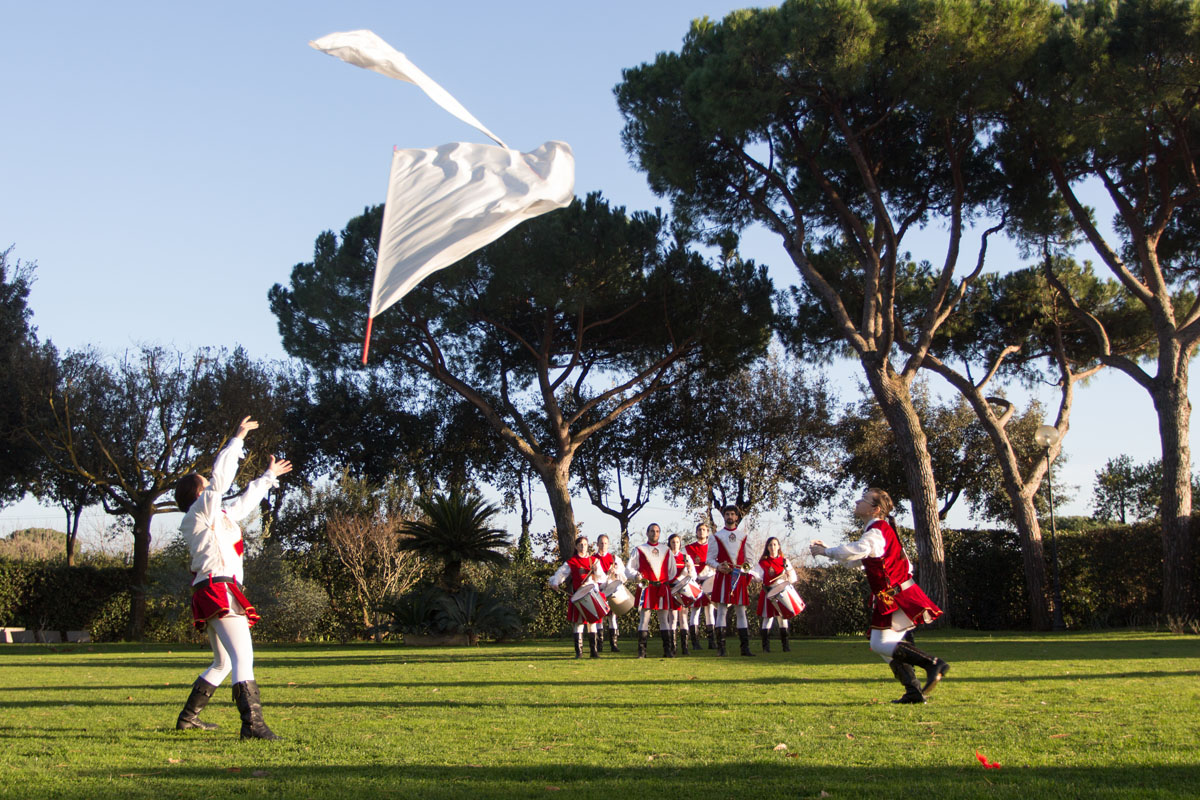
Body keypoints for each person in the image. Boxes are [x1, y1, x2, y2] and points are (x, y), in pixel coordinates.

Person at [173, 416, 292, 740]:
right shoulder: (200, 513)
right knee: (243, 657)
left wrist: (268, 477)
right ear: (197, 494)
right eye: (204, 484)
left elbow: (242, 502)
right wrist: (238, 437)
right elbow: (220, 480)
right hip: (217, 587)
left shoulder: (217, 515)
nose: (210, 487)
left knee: (224, 662)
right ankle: (252, 726)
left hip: (213, 587)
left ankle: (188, 718)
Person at [810, 488, 950, 703]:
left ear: (875, 509)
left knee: (879, 644)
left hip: (895, 596)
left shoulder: (876, 530)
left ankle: (933, 663)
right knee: (887, 648)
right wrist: (827, 550)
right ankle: (913, 692)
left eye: (864, 499)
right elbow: (857, 560)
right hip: (896, 594)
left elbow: (859, 549)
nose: (857, 501)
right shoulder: (878, 529)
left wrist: (827, 552)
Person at [706, 504, 755, 656]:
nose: (730, 517)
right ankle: (721, 649)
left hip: (738, 577)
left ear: (737, 517)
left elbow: (750, 560)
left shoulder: (744, 536)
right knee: (721, 610)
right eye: (727, 514)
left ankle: (744, 648)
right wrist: (718, 566)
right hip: (723, 577)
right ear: (724, 516)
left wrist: (743, 569)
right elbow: (709, 559)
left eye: (732, 514)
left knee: (741, 611)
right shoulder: (716, 536)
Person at [548, 536, 608, 658]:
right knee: (578, 624)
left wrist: (596, 571)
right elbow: (561, 573)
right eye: (580, 544)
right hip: (578, 595)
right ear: (576, 546)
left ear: (588, 546)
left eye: (585, 544)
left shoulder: (594, 561)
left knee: (592, 623)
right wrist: (555, 582)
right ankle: (579, 653)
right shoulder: (572, 561)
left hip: (592, 595)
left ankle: (594, 652)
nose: (583, 547)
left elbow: (602, 579)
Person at [625, 523, 678, 658]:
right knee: (644, 619)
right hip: (646, 588)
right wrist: (636, 577)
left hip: (662, 588)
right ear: (647, 533)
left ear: (660, 533)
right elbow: (629, 569)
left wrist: (664, 582)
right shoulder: (639, 549)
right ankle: (642, 652)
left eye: (657, 531)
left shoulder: (666, 550)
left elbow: (672, 571)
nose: (655, 533)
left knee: (664, 619)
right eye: (652, 531)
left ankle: (668, 650)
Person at [751, 537, 799, 653]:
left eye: (775, 544)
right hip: (769, 592)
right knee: (767, 618)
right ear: (767, 548)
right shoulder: (763, 563)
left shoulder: (784, 561)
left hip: (782, 593)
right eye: (770, 545)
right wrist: (749, 573)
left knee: (783, 619)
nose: (773, 547)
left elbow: (793, 578)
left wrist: (788, 575)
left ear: (778, 546)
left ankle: (785, 646)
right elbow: (757, 577)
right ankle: (766, 648)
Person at [684, 522, 717, 650]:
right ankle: (695, 642)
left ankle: (711, 641)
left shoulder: (713, 547)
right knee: (695, 610)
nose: (701, 532)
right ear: (696, 532)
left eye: (704, 530)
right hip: (696, 581)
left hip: (710, 581)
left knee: (710, 611)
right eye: (699, 530)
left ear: (707, 532)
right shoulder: (689, 548)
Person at [593, 534, 626, 652]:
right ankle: (599, 644)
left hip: (611, 591)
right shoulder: (593, 559)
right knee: (600, 617)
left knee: (612, 617)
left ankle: (614, 644)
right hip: (599, 590)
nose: (603, 545)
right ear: (597, 544)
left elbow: (623, 576)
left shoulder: (614, 559)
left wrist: (615, 571)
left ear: (608, 544)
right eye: (601, 543)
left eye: (605, 543)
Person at [666, 533, 697, 656]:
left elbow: (694, 575)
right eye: (673, 542)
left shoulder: (686, 557)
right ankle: (672, 647)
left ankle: (685, 647)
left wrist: (689, 569)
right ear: (669, 543)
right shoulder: (667, 557)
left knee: (683, 617)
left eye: (677, 542)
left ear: (680, 543)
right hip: (672, 589)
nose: (675, 544)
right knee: (672, 618)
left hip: (684, 590)